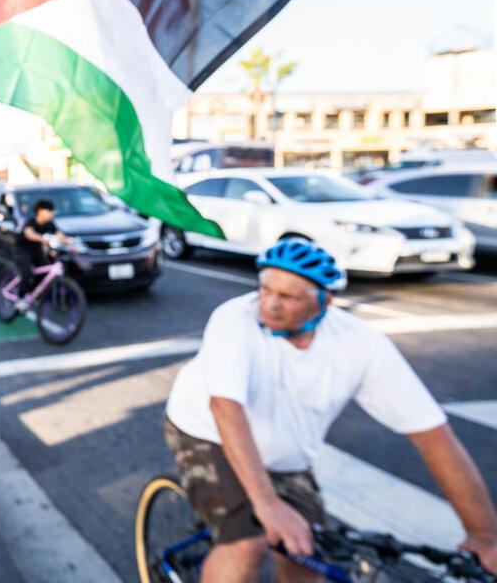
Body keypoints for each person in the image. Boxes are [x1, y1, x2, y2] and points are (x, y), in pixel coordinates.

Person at [163, 238, 497, 582]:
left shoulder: (361, 345)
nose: (269, 304)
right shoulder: (234, 319)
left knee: (307, 556)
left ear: (325, 302)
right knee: (246, 543)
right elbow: (225, 408)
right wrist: (267, 504)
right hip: (207, 432)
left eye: (288, 297)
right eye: (265, 289)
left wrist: (484, 534)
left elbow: (434, 436)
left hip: (284, 455)